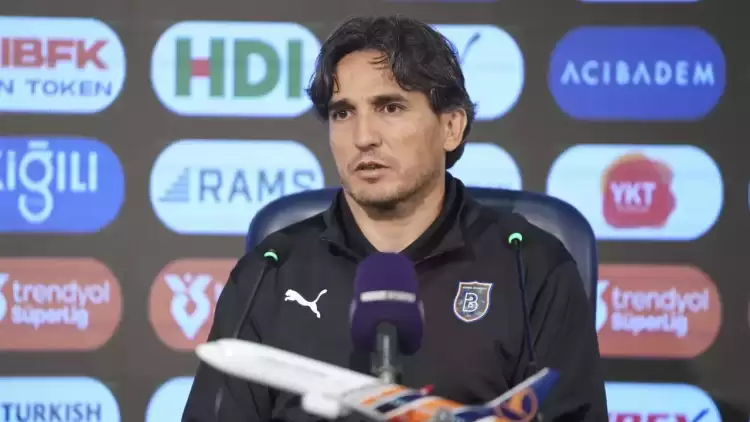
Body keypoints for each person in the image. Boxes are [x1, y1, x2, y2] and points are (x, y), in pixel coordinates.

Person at [182, 15, 607, 422]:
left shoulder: (531, 266)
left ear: (451, 127)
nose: (363, 137)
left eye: (390, 108)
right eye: (343, 113)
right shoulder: (268, 273)